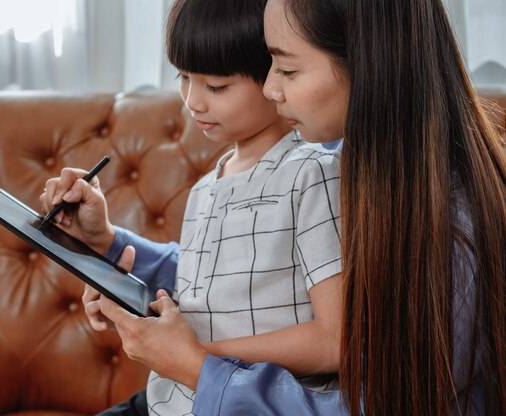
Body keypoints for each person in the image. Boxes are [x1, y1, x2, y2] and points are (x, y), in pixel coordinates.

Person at [92, 0, 506, 415]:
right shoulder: (354, 159)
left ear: (368, 65)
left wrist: (197, 363)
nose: (270, 89)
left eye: (287, 69)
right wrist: (113, 252)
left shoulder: (448, 229)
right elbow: (237, 272)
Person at [41, 0, 345, 414]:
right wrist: (140, 315)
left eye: (216, 87)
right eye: (183, 77)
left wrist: (195, 353)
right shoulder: (206, 186)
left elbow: (335, 338)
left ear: (274, 75)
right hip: (170, 399)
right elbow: (205, 301)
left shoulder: (313, 173)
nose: (193, 101)